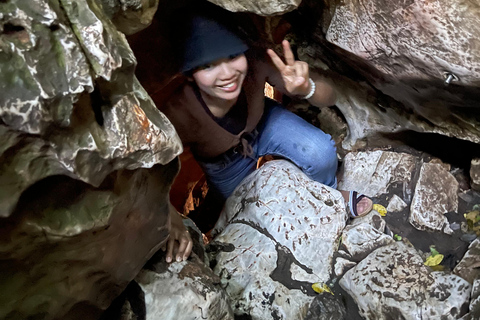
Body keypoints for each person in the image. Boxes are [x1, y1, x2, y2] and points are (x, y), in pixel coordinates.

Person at [160, 6, 373, 263]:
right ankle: (208, 208)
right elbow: (150, 169)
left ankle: (329, 196)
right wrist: (169, 215)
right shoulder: (180, 113)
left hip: (264, 123)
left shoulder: (256, 62)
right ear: (189, 76)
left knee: (320, 152)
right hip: (224, 163)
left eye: (232, 55)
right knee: (246, 207)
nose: (227, 74)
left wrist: (307, 88)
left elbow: (331, 96)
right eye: (207, 65)